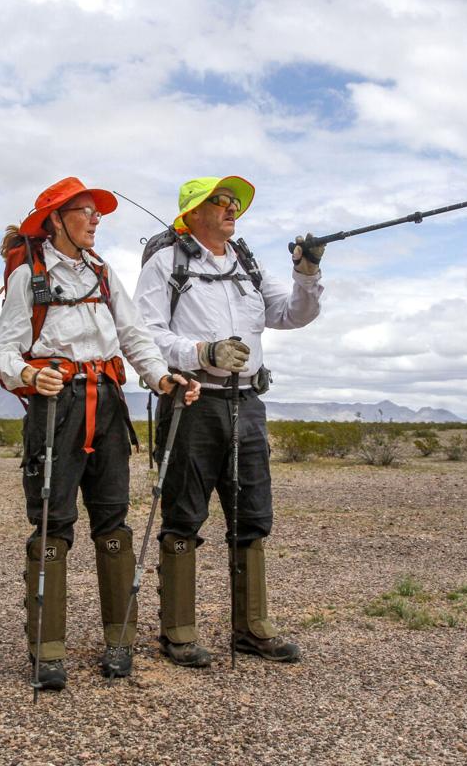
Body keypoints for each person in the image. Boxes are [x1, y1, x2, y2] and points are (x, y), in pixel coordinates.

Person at [0, 176, 200, 690]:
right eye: (84, 211)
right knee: (53, 522)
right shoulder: (29, 276)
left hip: (107, 406)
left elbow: (133, 336)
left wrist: (161, 377)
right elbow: (2, 351)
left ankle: (119, 643)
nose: (95, 219)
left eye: (96, 212)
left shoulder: (105, 274)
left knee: (113, 519)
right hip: (55, 406)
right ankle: (48, 651)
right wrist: (29, 375)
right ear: (56, 221)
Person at [134, 175, 325, 667]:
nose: (230, 208)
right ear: (192, 212)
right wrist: (200, 351)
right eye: (219, 201)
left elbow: (294, 315)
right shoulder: (166, 262)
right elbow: (144, 333)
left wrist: (307, 272)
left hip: (248, 405)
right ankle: (177, 633)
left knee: (252, 514)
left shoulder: (249, 263)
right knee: (183, 514)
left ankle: (252, 628)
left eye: (234, 202)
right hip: (192, 402)